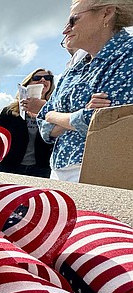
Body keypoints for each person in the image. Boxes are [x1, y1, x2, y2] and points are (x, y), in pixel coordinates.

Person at [38, 0, 133, 182]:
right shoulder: (75, 68)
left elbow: (107, 121)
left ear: (106, 14)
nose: (65, 30)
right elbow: (43, 124)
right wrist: (74, 116)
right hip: (59, 170)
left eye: (73, 20)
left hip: (104, 172)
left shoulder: (128, 54)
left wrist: (54, 115)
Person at [0, 69, 55, 178]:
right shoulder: (10, 111)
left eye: (48, 78)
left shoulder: (55, 111)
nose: (43, 80)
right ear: (27, 83)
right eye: (37, 78)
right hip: (9, 166)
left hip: (40, 168)